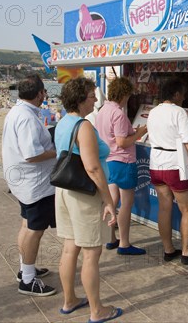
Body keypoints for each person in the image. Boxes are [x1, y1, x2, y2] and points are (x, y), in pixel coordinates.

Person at [54, 77, 122, 322]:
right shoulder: (83, 126)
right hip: (85, 194)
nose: (95, 99)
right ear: (81, 99)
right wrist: (108, 201)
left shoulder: (63, 122)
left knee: (70, 247)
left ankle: (69, 300)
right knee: (92, 253)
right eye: (92, 95)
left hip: (65, 191)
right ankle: (97, 310)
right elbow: (93, 168)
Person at [2, 74, 57, 296]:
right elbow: (32, 154)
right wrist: (57, 152)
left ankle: (26, 267)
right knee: (35, 230)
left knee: (27, 226)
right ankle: (27, 280)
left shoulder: (18, 112)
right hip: (34, 184)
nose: (45, 95)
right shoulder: (26, 117)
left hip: (25, 183)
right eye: (44, 92)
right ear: (40, 94)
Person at [146, 77, 188, 265]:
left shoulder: (153, 111)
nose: (184, 97)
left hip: (156, 164)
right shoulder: (178, 112)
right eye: (183, 93)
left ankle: (168, 249)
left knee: (164, 208)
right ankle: (187, 253)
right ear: (177, 94)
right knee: (187, 209)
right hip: (175, 165)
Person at [95, 77, 148, 255]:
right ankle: (124, 243)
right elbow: (122, 142)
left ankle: (110, 239)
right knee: (126, 204)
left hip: (108, 160)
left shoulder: (103, 110)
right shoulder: (118, 113)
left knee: (111, 200)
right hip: (123, 161)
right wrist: (139, 133)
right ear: (124, 94)